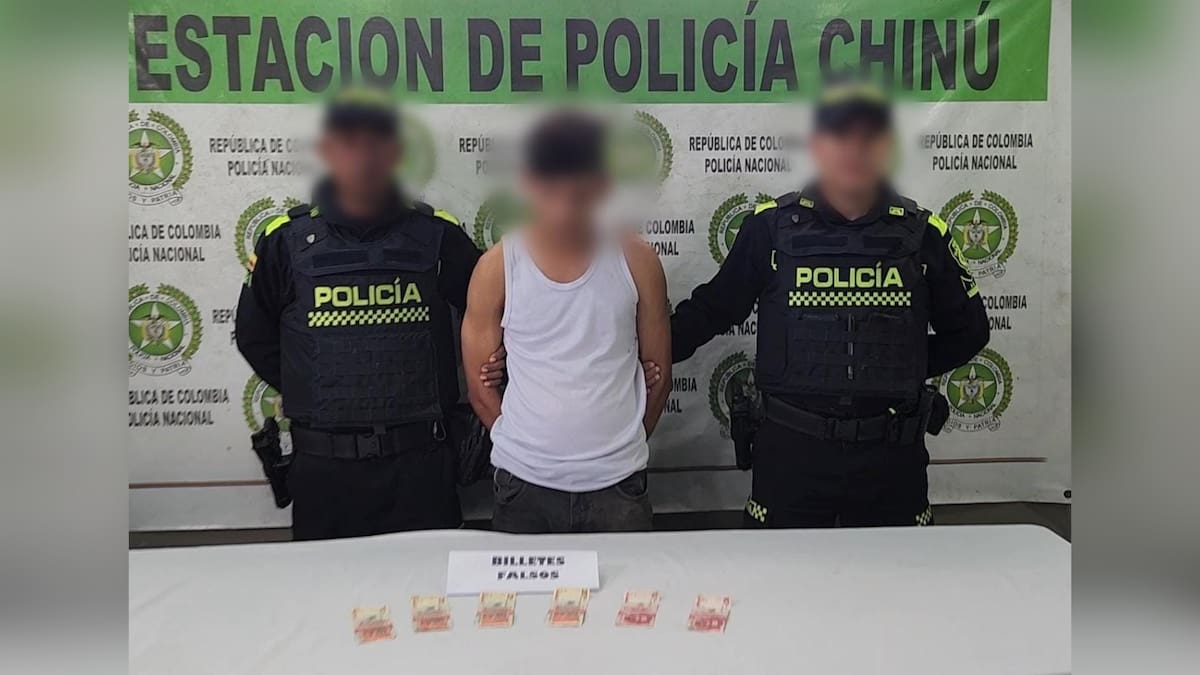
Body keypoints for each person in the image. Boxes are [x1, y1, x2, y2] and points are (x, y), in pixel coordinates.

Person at [669, 84, 990, 528]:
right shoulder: (770, 228)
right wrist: (635, 353)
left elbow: (970, 333)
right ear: (818, 146)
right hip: (791, 453)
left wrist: (900, 363)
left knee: (901, 573)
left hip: (890, 453)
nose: (854, 151)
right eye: (841, 136)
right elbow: (712, 310)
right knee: (780, 572)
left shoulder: (924, 234)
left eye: (869, 138)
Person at [235, 87, 483, 540]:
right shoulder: (285, 241)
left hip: (421, 467)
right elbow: (255, 336)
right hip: (325, 472)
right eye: (350, 143)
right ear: (328, 151)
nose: (364, 157)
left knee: (429, 587)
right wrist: (318, 383)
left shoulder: (439, 236)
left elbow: (490, 321)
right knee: (324, 587)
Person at [461, 110, 672, 534]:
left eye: (577, 193)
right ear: (526, 184)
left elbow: (660, 377)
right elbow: (479, 389)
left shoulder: (638, 261)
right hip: (523, 487)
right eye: (549, 191)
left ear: (602, 187)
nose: (562, 210)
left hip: (619, 486)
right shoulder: (496, 268)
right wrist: (525, 449)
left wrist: (619, 449)